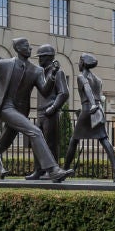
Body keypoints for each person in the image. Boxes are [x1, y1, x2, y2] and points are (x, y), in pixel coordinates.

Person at [0, 38, 73, 182]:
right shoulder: (5, 64)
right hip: (6, 108)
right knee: (35, 131)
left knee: (2, 144)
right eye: (27, 46)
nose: (30, 49)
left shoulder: (36, 70)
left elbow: (45, 91)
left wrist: (52, 75)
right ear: (18, 48)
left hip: (21, 112)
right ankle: (53, 170)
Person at [63, 54, 115, 180]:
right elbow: (100, 97)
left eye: (80, 61)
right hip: (98, 110)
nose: (78, 64)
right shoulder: (98, 80)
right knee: (104, 139)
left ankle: (64, 169)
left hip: (88, 109)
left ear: (83, 63)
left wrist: (92, 104)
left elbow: (87, 89)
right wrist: (97, 105)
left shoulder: (81, 77)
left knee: (74, 140)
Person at [27, 45, 69, 180]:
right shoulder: (41, 73)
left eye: (41, 57)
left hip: (50, 113)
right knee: (36, 142)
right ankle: (38, 170)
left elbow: (64, 93)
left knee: (50, 143)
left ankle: (52, 171)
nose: (39, 60)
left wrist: (54, 107)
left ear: (49, 57)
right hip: (40, 113)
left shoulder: (58, 73)